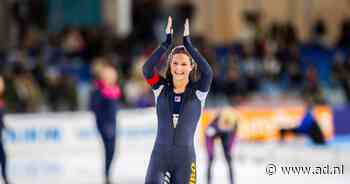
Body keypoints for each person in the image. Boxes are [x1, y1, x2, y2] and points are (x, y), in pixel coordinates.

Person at [142, 17, 213, 184]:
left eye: (183, 64)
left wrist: (189, 46)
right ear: (170, 64)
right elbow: (146, 69)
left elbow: (208, 72)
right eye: (175, 63)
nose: (179, 68)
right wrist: (166, 44)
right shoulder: (161, 89)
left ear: (191, 67)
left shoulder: (198, 92)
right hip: (159, 158)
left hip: (185, 160)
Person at [89, 59, 122, 184]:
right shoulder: (98, 90)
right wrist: (105, 125)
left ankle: (107, 174)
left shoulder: (114, 89)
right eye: (110, 75)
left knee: (112, 150)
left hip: (112, 124)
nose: (113, 77)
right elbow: (95, 109)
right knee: (109, 149)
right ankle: (107, 175)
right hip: (104, 125)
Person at [205, 108, 238, 184]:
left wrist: (229, 150)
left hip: (225, 135)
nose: (226, 126)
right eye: (224, 125)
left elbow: (233, 138)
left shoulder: (234, 124)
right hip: (213, 133)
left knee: (229, 158)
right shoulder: (213, 125)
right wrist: (210, 153)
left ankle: (232, 181)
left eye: (227, 125)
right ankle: (208, 181)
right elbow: (208, 139)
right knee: (210, 159)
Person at [0, 76, 10, 184]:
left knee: (3, 157)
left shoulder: (1, 102)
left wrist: (4, 126)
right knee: (3, 157)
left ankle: (5, 178)